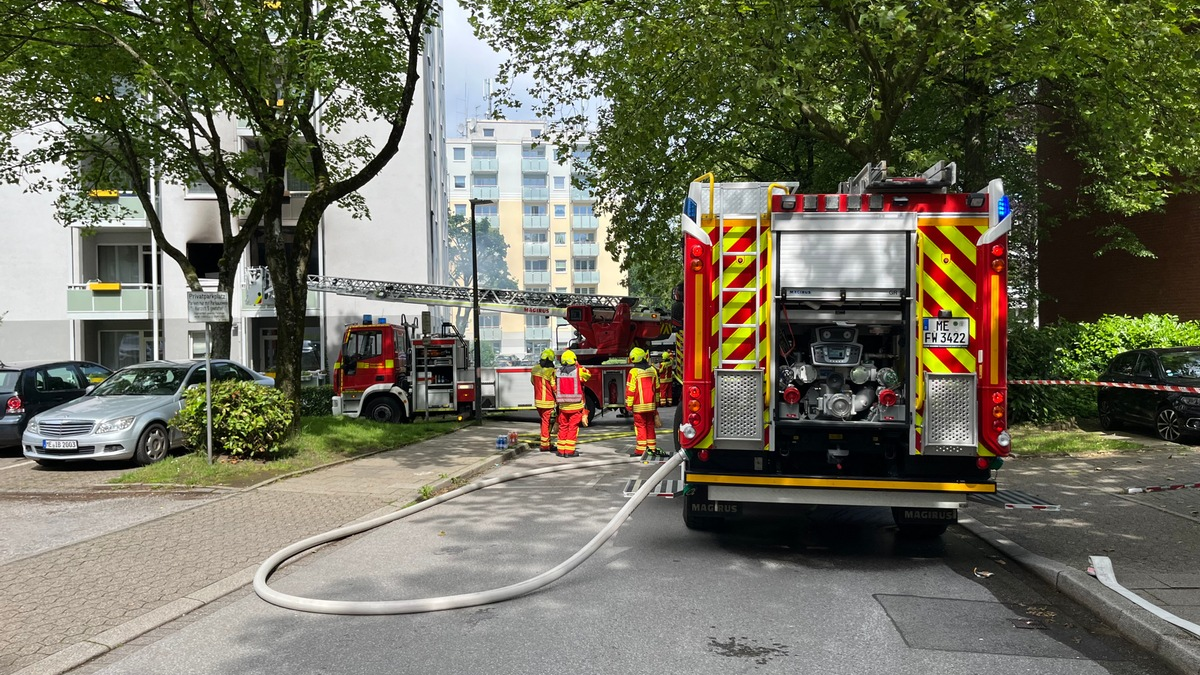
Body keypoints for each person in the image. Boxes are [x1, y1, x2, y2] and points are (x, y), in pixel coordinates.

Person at [554, 349, 591, 458]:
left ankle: (561, 450)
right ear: (574, 360)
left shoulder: (558, 371)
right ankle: (569, 452)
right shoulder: (579, 371)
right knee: (572, 428)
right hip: (575, 406)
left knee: (563, 427)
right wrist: (577, 364)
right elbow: (588, 375)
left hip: (563, 407)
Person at [625, 347, 659, 458]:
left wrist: (629, 405)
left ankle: (640, 450)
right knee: (650, 425)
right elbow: (657, 387)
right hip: (651, 406)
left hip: (639, 407)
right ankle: (652, 448)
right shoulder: (653, 370)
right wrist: (656, 403)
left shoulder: (633, 372)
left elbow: (630, 390)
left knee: (640, 427)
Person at [530, 348, 557, 452]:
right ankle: (545, 445)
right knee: (547, 423)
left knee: (543, 422)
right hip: (548, 402)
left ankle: (545, 442)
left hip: (538, 401)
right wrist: (559, 398)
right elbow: (554, 387)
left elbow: (533, 382)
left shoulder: (534, 369)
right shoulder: (550, 371)